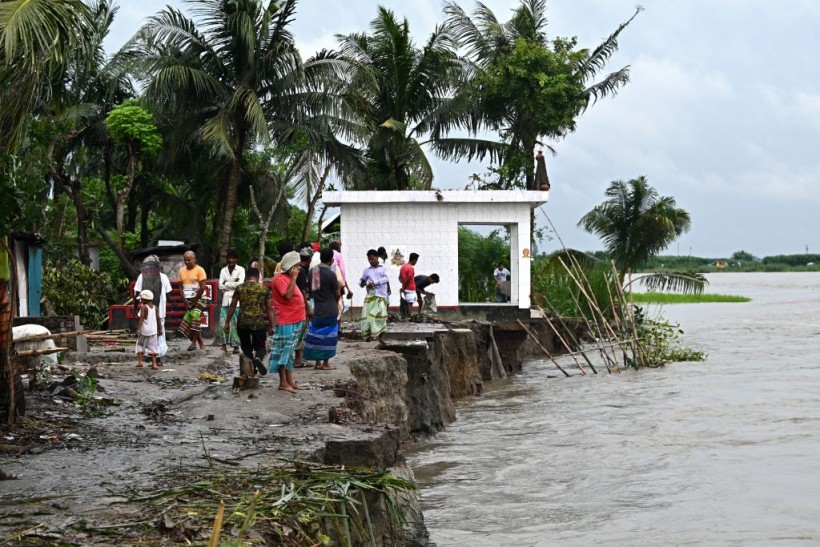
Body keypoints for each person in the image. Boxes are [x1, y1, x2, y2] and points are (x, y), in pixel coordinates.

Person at [268, 251, 305, 392]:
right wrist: (294, 278)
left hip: (296, 319)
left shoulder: (289, 278)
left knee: (290, 353)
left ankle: (290, 380)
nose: (299, 268)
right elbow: (288, 296)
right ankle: (283, 382)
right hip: (286, 320)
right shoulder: (279, 279)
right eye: (297, 265)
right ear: (291, 266)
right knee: (284, 351)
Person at [224, 267, 272, 376]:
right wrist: (272, 326)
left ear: (246, 276)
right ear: (257, 277)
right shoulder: (264, 289)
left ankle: (251, 369)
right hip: (258, 323)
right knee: (260, 346)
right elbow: (269, 308)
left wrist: (227, 322)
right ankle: (258, 358)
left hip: (243, 323)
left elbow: (232, 305)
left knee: (246, 348)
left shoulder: (240, 288)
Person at [303, 248, 341, 370]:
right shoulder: (331, 274)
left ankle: (317, 362)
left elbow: (310, 290)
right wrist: (335, 302)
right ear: (331, 260)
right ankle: (326, 363)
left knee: (316, 335)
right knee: (328, 337)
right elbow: (338, 294)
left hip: (317, 309)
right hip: (330, 309)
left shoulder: (311, 272)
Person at [134, 255, 172, 366]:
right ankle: (157, 359)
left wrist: (135, 308)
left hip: (144, 313)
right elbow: (168, 294)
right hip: (160, 312)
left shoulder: (142, 276)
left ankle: (142, 359)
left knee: (142, 334)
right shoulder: (163, 277)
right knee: (159, 335)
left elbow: (136, 293)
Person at [178, 250, 208, 351]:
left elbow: (203, 287)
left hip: (200, 299)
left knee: (195, 317)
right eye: (185, 260)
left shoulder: (200, 270)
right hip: (188, 299)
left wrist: (195, 301)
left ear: (194, 259)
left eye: (189, 260)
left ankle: (194, 343)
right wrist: (185, 302)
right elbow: (181, 288)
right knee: (192, 322)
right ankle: (202, 344)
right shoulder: (181, 270)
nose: (187, 262)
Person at [218, 249, 245, 353]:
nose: (231, 260)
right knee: (222, 322)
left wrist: (226, 283)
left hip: (236, 301)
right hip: (225, 301)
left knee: (235, 323)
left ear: (236, 259)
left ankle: (236, 346)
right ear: (227, 259)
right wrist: (234, 283)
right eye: (229, 258)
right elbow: (220, 286)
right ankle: (223, 344)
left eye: (233, 258)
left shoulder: (241, 269)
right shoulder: (223, 270)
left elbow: (240, 284)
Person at [360, 249, 390, 342]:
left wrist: (375, 282)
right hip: (370, 296)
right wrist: (363, 283)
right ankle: (368, 337)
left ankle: (381, 338)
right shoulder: (367, 271)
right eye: (369, 259)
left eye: (372, 259)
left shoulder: (383, 268)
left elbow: (386, 278)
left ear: (377, 257)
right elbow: (362, 282)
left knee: (382, 316)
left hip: (381, 296)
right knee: (367, 317)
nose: (370, 261)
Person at [293, 244, 314, 368]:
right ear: (309, 259)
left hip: (297, 304)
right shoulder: (301, 273)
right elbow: (302, 291)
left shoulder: (297, 270)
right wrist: (308, 307)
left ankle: (299, 358)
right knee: (302, 331)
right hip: (301, 305)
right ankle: (298, 359)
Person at [135, 290, 162, 370]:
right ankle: (154, 364)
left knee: (140, 345)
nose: (141, 300)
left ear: (145, 299)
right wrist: (160, 329)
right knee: (153, 347)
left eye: (142, 299)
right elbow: (158, 319)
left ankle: (140, 362)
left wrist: (138, 329)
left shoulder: (144, 307)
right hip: (153, 331)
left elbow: (141, 318)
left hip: (144, 330)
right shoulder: (155, 308)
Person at [399, 253, 418, 318]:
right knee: (410, 304)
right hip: (410, 288)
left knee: (405, 304)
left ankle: (405, 316)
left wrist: (403, 284)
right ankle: (409, 318)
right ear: (414, 259)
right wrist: (404, 285)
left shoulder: (403, 267)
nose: (416, 262)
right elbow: (409, 278)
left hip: (405, 289)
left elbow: (399, 278)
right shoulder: (410, 268)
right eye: (416, 260)